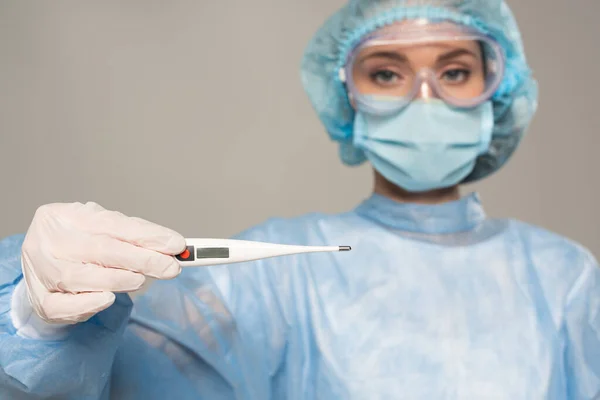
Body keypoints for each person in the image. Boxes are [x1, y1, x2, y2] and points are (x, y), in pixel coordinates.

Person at [0, 0, 598, 398]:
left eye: (456, 71)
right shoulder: (278, 276)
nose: (425, 98)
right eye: (387, 73)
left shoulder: (564, 278)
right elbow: (128, 381)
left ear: (499, 92)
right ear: (347, 95)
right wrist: (38, 322)